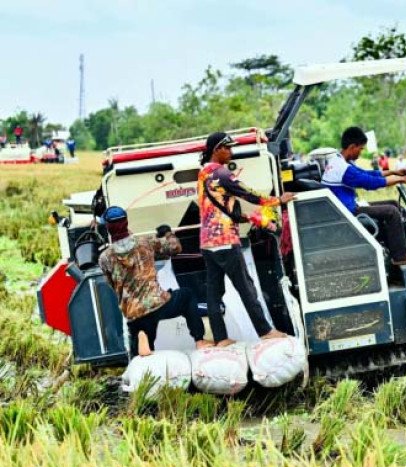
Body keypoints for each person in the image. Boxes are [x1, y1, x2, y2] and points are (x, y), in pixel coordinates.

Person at [198, 132, 294, 346]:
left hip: (207, 242)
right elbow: (249, 194)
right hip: (225, 240)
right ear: (216, 150)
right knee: (246, 287)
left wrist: (253, 217)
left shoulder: (203, 173)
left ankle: (220, 338)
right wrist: (278, 200)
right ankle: (265, 331)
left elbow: (222, 208)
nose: (231, 152)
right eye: (227, 148)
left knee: (214, 293)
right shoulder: (220, 174)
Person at [98, 206, 213, 357]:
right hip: (158, 303)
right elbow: (176, 248)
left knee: (141, 357)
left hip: (134, 314)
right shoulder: (146, 243)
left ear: (107, 228)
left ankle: (143, 338)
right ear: (126, 223)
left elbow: (112, 285)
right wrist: (167, 233)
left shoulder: (105, 258)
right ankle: (199, 340)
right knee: (187, 296)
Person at [322, 126, 406, 265]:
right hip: (348, 212)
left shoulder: (339, 160)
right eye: (361, 149)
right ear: (352, 146)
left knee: (393, 203)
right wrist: (403, 179)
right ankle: (400, 256)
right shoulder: (344, 169)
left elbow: (368, 173)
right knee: (392, 212)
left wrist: (394, 172)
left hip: (346, 207)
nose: (361, 152)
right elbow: (372, 183)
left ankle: (393, 247)